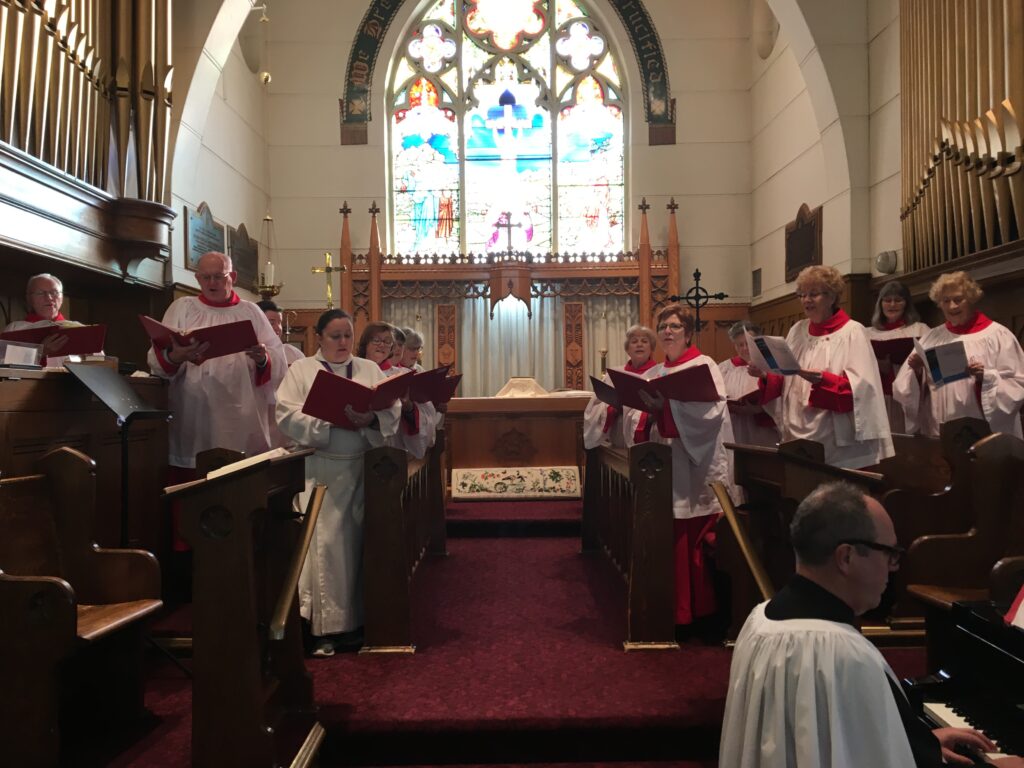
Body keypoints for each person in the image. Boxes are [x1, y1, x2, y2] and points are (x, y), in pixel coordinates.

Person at [720, 481, 1023, 767]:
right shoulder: (844, 653)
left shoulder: (761, 619)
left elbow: (826, 740)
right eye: (889, 553)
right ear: (847, 557)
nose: (893, 569)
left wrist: (919, 744)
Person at [275, 309, 401, 657]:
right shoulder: (302, 370)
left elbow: (392, 408)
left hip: (362, 471)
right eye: (335, 336)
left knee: (359, 547)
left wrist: (370, 418)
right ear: (319, 338)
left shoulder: (368, 369)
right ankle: (324, 630)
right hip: (321, 472)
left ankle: (357, 624)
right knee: (326, 548)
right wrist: (329, 423)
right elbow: (286, 413)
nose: (343, 342)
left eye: (347, 335)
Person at [636, 304, 735, 630]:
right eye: (663, 325)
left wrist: (668, 409)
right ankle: (672, 609)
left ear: (689, 332)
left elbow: (711, 415)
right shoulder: (654, 372)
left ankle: (696, 614)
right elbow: (641, 420)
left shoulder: (704, 365)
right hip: (665, 464)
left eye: (675, 326)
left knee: (690, 536)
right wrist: (648, 411)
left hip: (696, 467)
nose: (667, 331)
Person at [147, 252, 286, 473]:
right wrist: (177, 356)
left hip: (241, 419)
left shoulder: (251, 312)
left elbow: (279, 360)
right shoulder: (182, 308)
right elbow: (156, 362)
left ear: (233, 276)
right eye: (206, 277)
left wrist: (263, 358)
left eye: (219, 277)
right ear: (197, 278)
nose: (212, 283)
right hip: (194, 416)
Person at [750, 265, 893, 469]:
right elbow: (785, 376)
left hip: (834, 435)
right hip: (796, 429)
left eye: (814, 294)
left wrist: (823, 380)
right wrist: (765, 375)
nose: (806, 300)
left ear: (832, 296)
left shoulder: (852, 332)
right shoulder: (797, 331)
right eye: (802, 294)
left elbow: (863, 389)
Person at [893, 271, 1024, 438]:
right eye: (946, 301)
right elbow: (903, 388)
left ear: (971, 299)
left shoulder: (998, 336)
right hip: (939, 426)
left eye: (958, 299)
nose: (952, 306)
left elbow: (1018, 383)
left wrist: (986, 377)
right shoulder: (931, 338)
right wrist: (918, 372)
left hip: (983, 428)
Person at [357, 321, 434, 458]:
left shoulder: (404, 376)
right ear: (365, 343)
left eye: (387, 341)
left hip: (392, 452)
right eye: (376, 340)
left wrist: (409, 409)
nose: (382, 345)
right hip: (354, 450)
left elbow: (427, 415)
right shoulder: (352, 372)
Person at [864, 281, 930, 433]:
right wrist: (877, 364)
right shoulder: (867, 333)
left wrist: (919, 366)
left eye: (898, 300)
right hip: (879, 395)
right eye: (887, 300)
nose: (892, 305)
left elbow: (933, 364)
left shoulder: (920, 329)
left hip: (910, 392)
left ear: (906, 304)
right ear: (880, 304)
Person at [582, 324, 657, 449]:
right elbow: (594, 408)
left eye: (645, 341)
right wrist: (611, 409)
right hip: (618, 442)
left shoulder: (659, 374)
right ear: (627, 349)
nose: (639, 344)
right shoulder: (613, 375)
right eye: (634, 341)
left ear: (651, 348)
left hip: (650, 439)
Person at [718, 320, 778, 448]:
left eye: (748, 344)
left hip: (761, 430)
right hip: (734, 426)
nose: (745, 348)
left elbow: (782, 399)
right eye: (740, 345)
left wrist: (759, 409)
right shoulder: (723, 368)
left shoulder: (771, 365)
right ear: (734, 346)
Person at [4, 273, 74, 365]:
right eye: (40, 293)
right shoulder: (14, 329)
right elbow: (4, 365)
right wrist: (41, 352)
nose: (49, 298)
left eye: (54, 292)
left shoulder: (78, 328)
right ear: (29, 298)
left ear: (62, 297)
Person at [258, 299, 304, 365]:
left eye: (280, 322)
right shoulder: (245, 355)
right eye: (271, 323)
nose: (278, 328)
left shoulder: (293, 353)